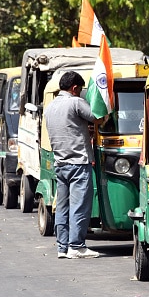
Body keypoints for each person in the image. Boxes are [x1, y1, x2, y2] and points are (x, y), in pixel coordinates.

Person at [44, 71, 104, 259]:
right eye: (80, 90)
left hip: (60, 163)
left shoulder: (50, 107)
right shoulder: (75, 102)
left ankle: (62, 247)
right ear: (75, 88)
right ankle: (76, 246)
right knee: (79, 206)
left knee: (62, 207)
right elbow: (97, 118)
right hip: (78, 163)